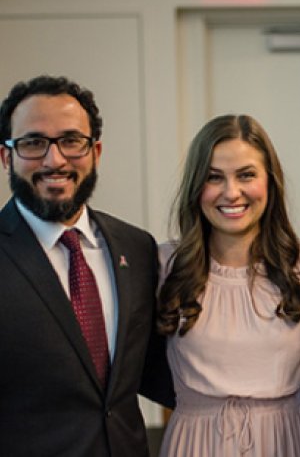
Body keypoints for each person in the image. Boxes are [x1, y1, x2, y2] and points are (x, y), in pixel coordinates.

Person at [0, 75, 172, 456]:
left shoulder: (137, 248)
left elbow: (159, 372)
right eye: (33, 143)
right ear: (6, 156)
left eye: (71, 141)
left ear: (96, 151)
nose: (54, 159)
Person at [157, 114, 300, 456]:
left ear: (270, 182)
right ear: (196, 186)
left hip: (288, 440)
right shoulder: (164, 266)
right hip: (196, 442)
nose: (231, 192)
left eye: (246, 175)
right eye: (214, 177)